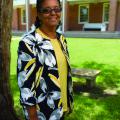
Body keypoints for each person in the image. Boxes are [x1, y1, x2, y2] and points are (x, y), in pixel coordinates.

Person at [17, 0, 73, 119]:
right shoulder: (29, 42)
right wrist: (32, 115)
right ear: (39, 14)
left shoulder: (61, 39)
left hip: (61, 108)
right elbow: (25, 83)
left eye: (56, 9)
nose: (53, 13)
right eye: (46, 10)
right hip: (42, 113)